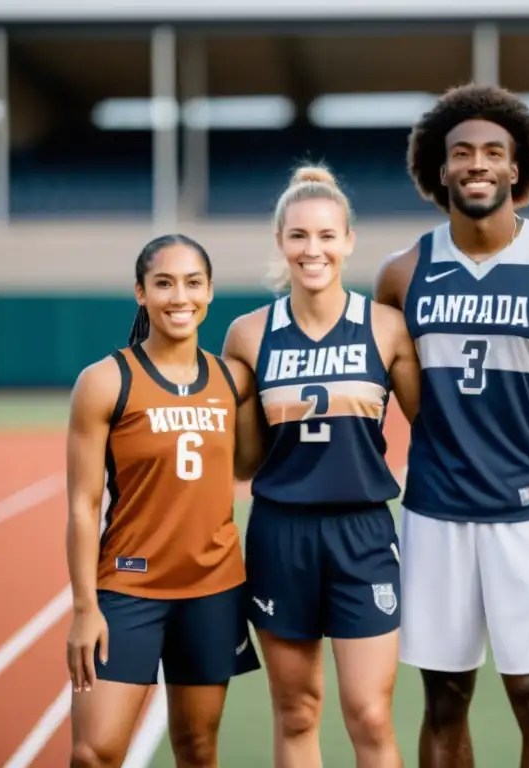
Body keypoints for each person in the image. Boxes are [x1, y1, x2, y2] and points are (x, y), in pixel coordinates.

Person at [374, 83, 529, 768]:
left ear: (517, 168)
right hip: (435, 512)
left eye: (493, 153)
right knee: (443, 699)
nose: (477, 164)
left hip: (527, 518)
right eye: (462, 154)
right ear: (440, 169)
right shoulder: (402, 272)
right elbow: (388, 392)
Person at [221, 165, 420, 768]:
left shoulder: (386, 327)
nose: (314, 250)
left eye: (327, 236)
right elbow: (246, 461)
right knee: (298, 710)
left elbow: (434, 429)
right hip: (281, 533)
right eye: (300, 236)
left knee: (370, 714)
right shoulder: (249, 335)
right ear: (281, 241)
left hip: (363, 534)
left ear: (349, 241)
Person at [64, 234, 263, 768]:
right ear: (141, 292)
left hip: (213, 588)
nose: (181, 296)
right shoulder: (105, 381)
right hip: (129, 588)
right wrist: (85, 608)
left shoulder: (231, 379)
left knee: (198, 749)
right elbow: (83, 506)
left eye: (193, 283)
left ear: (211, 291)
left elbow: (249, 464)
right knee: (94, 752)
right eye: (165, 283)